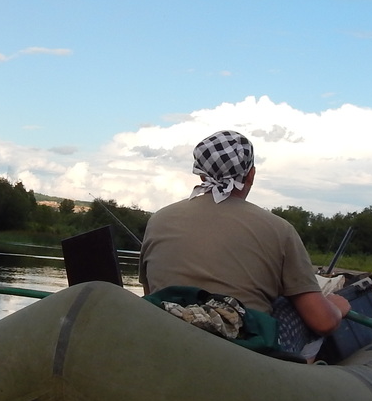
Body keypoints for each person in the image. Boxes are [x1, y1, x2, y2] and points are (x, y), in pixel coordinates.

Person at [140, 130, 350, 341]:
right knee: (290, 307)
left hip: (164, 336)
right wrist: (338, 308)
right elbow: (322, 322)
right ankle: (306, 368)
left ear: (202, 175)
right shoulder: (280, 229)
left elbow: (150, 293)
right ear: (251, 174)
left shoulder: (158, 219)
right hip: (243, 352)